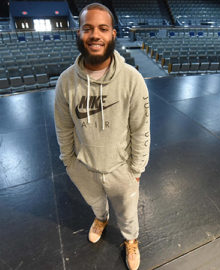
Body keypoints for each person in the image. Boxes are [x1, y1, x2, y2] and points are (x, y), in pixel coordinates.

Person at [54, 3, 150, 270]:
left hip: (122, 169)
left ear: (113, 35)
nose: (95, 35)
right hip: (83, 167)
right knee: (95, 203)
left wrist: (136, 169)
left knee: (129, 213)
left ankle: (131, 240)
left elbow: (141, 128)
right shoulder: (65, 82)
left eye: (102, 29)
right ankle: (101, 218)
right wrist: (69, 162)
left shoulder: (133, 80)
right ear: (79, 33)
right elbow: (63, 127)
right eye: (88, 28)